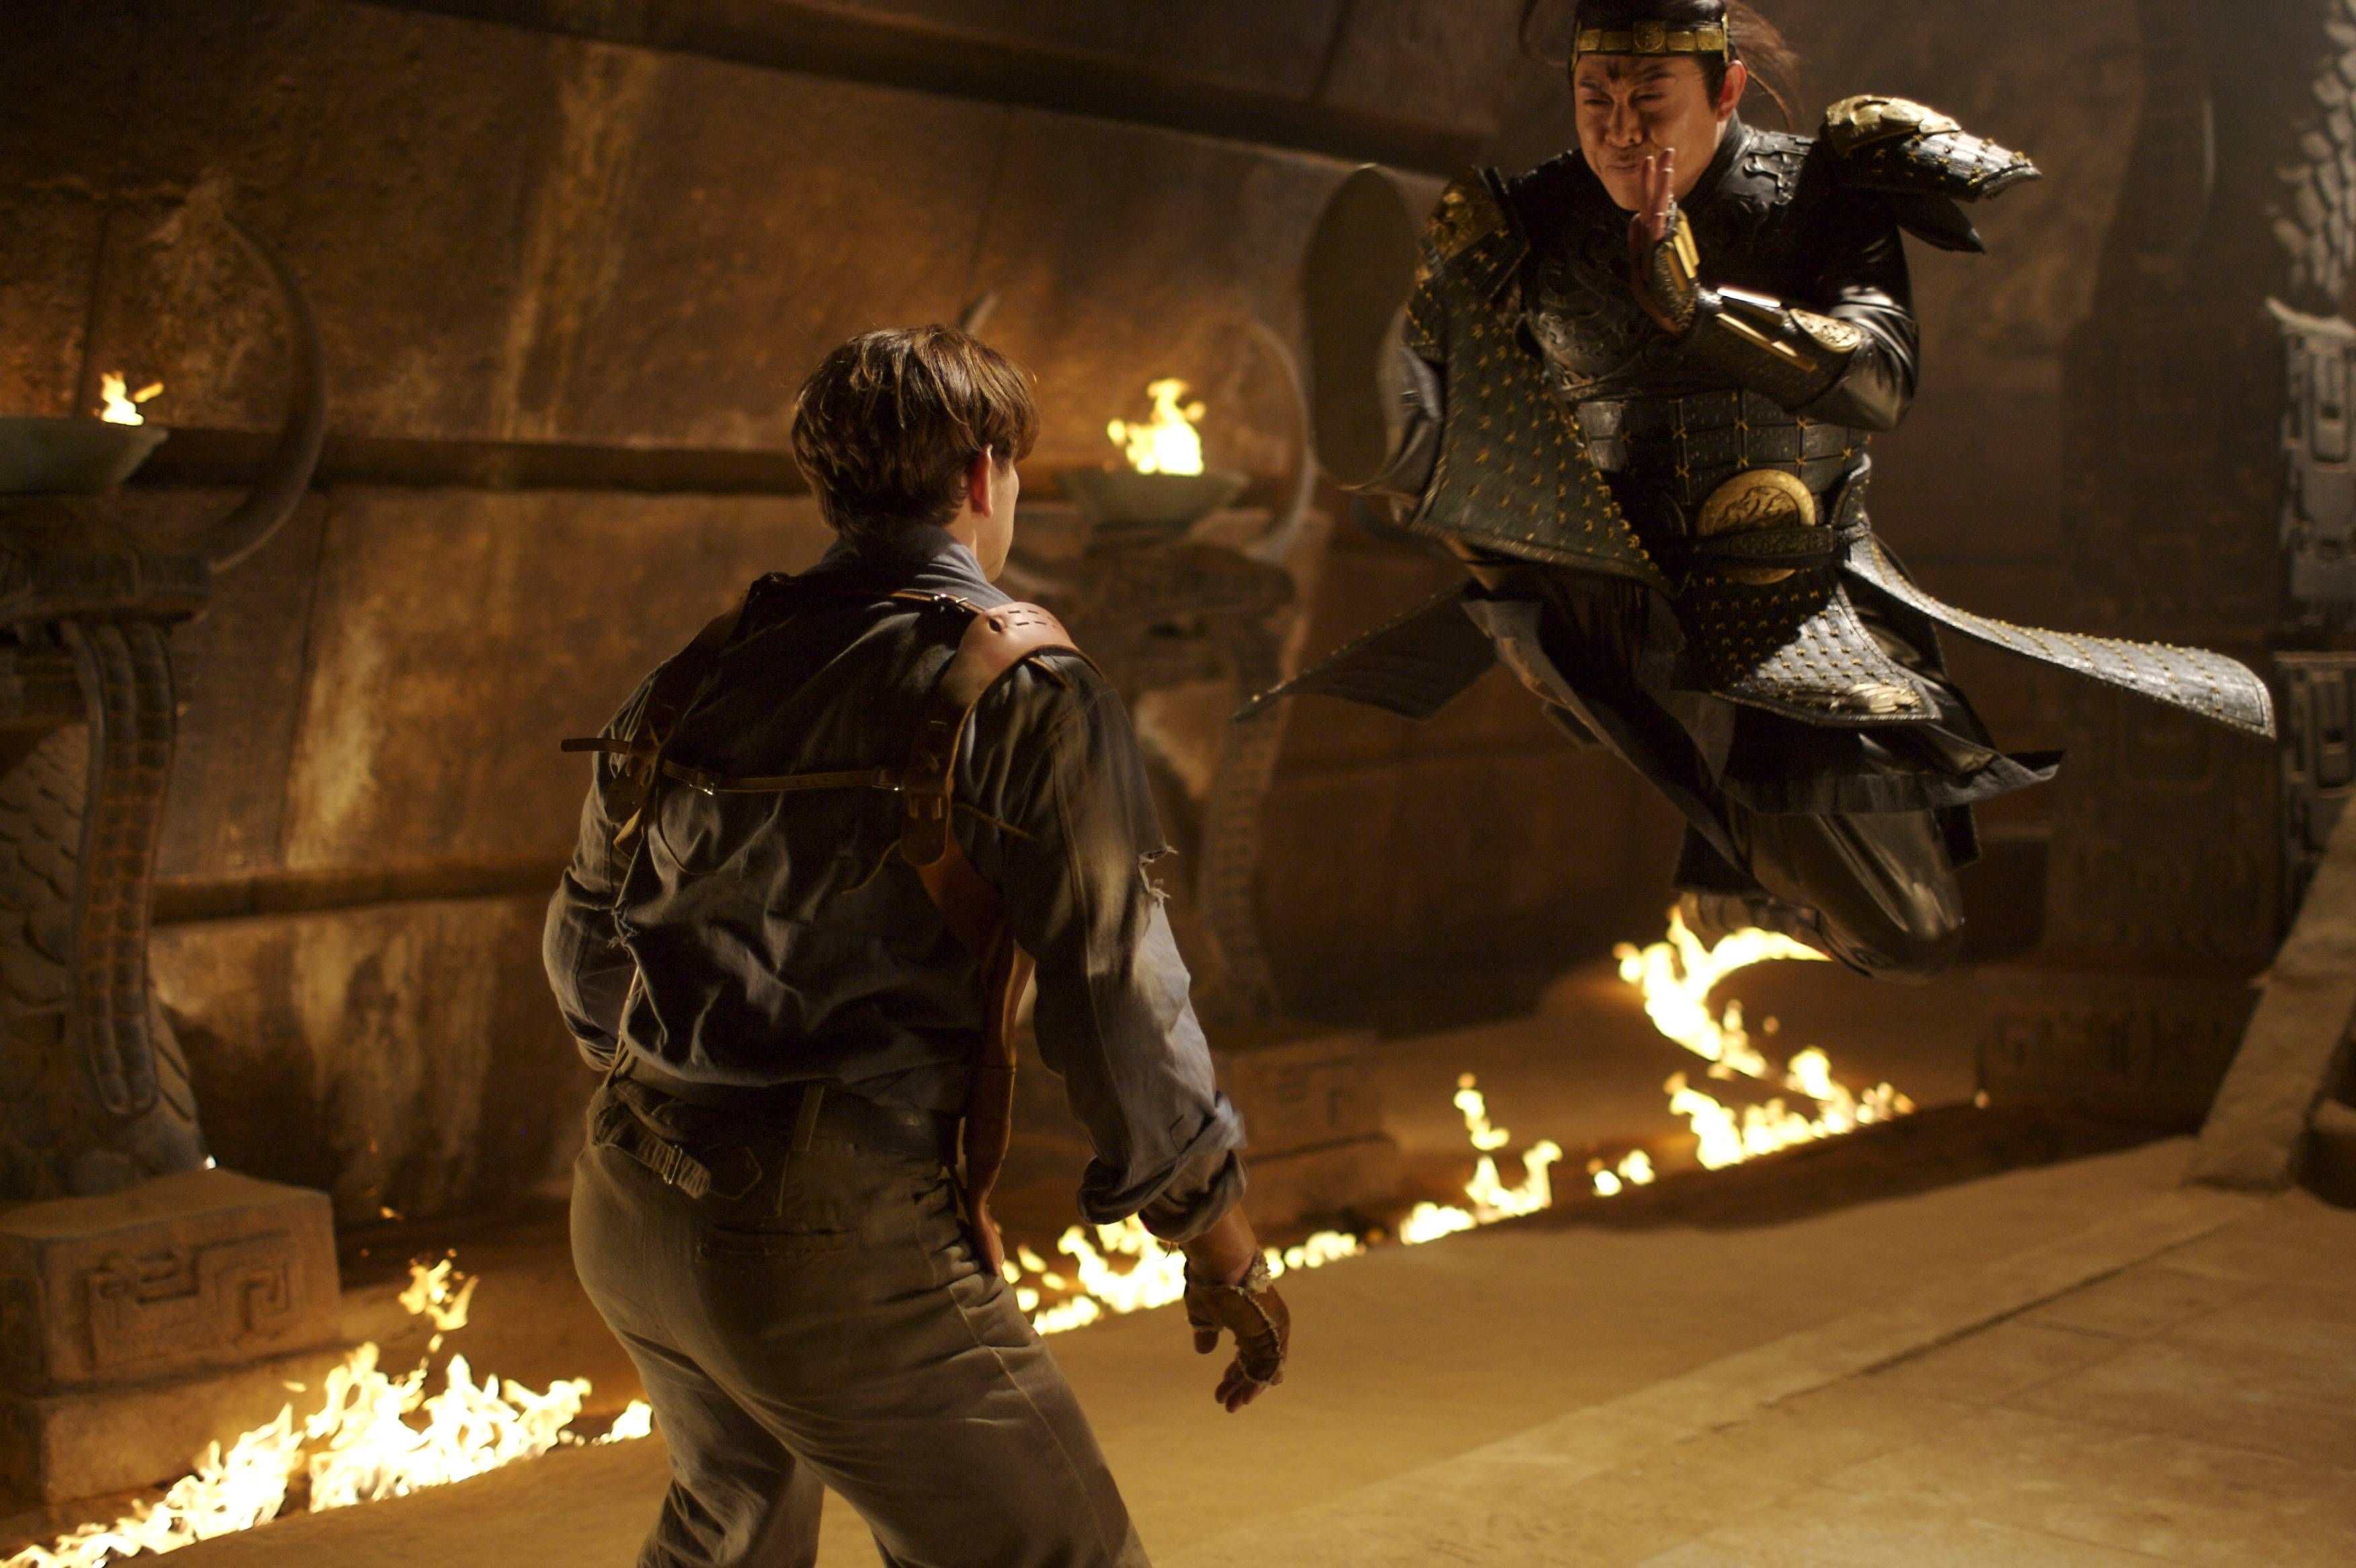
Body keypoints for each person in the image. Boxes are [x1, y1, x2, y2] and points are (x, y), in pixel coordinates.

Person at [1255, 0, 2272, 979]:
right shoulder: (1524, 218)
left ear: (1727, 89)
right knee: (1477, 482)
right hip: (1597, 570)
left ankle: (1745, 890)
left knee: (1911, 935)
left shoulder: (1822, 193)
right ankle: (1397, 424)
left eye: (1649, 97)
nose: (1619, 128)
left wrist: (1699, 313)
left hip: (1791, 596)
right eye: (1595, 96)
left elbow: (1882, 378)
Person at [545, 325, 1289, 1568]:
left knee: (728, 1534)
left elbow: (585, 954)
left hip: (630, 1202)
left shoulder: (694, 675)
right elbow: (1115, 998)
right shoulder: (1023, 688)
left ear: (828, 489)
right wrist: (1216, 1236)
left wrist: (701, 1118)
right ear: (985, 474)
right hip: (830, 1248)